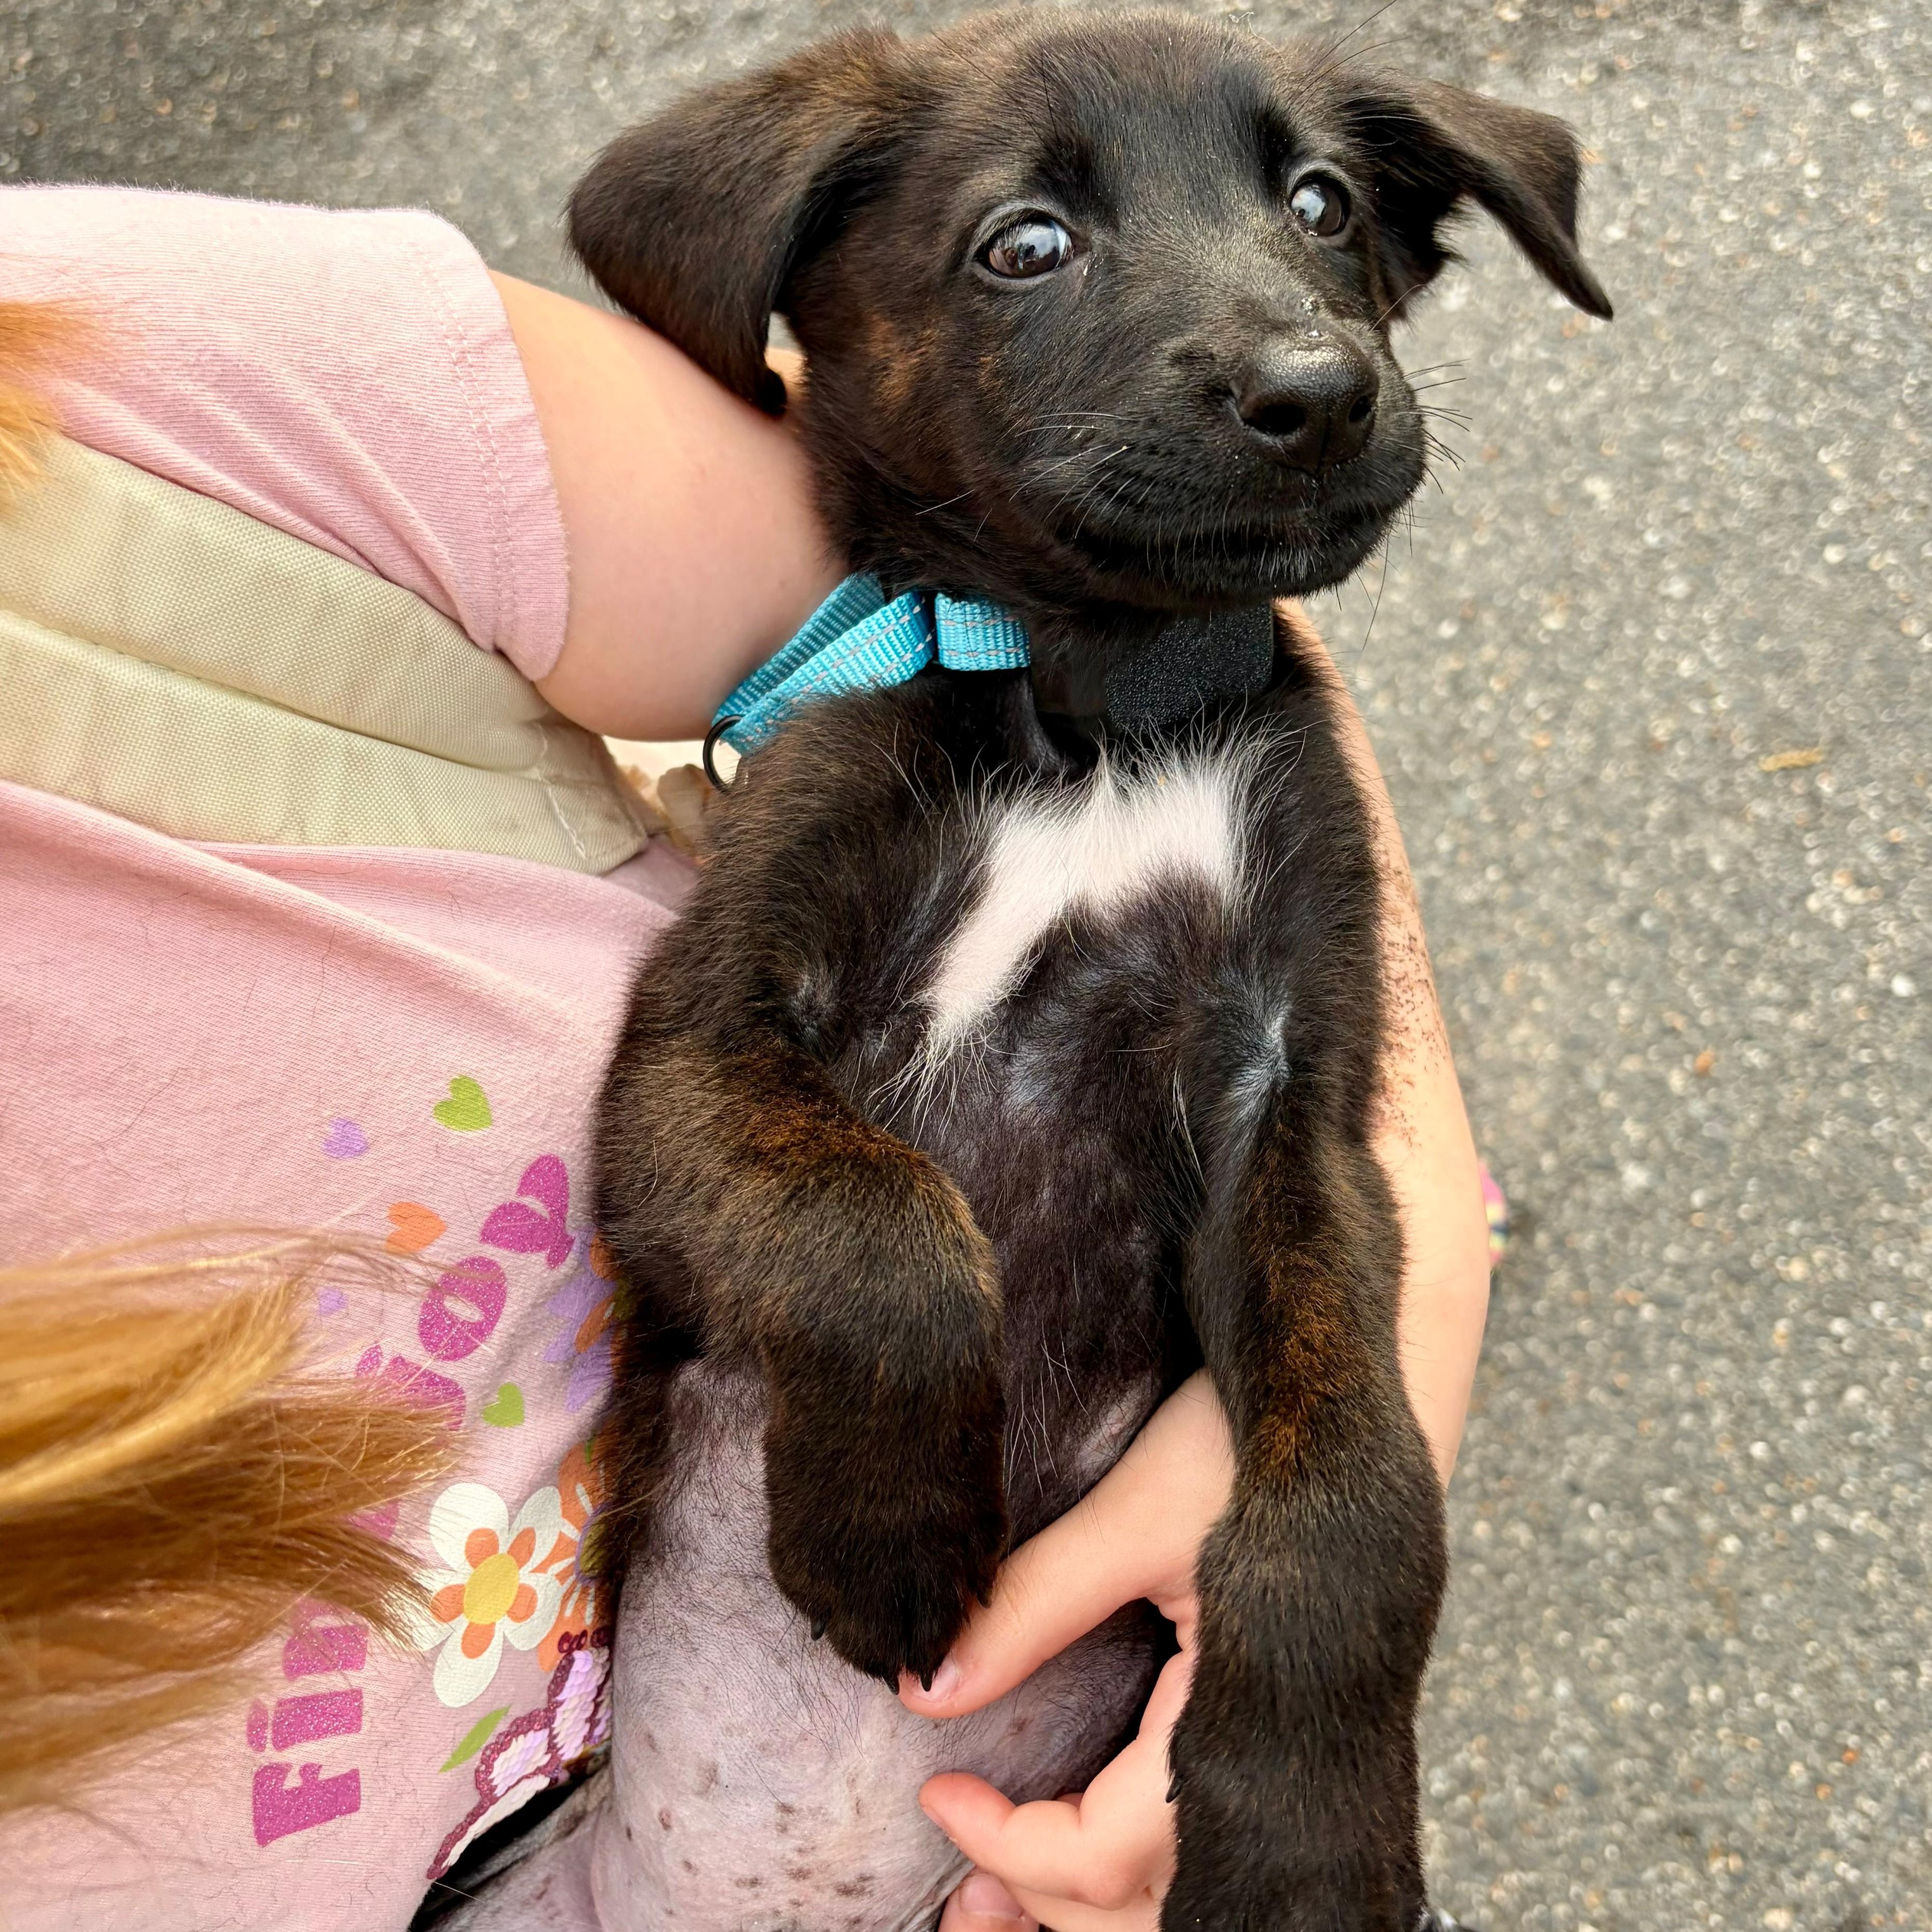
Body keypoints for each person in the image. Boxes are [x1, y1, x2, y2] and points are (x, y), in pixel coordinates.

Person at [0, 184, 1490, 1930]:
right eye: (1023, 245)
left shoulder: (111, 427)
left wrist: (1354, 1484)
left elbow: (1084, 558)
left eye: (1318, 212)